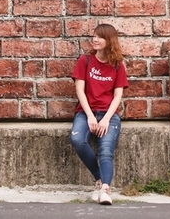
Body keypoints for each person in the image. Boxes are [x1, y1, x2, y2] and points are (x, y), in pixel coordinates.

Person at [69, 23, 129, 205]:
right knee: (77, 140)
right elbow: (80, 90)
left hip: (109, 114)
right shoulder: (85, 60)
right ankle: (99, 179)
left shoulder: (117, 65)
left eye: (100, 37)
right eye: (94, 36)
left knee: (105, 151)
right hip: (86, 112)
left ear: (109, 41)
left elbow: (118, 95)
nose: (95, 39)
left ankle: (104, 190)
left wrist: (106, 119)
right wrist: (89, 116)